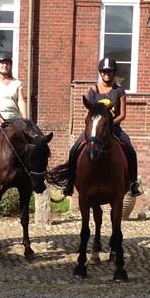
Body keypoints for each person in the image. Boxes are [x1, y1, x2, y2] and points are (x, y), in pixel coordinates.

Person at [60, 57, 141, 197]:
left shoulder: (119, 92)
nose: (107, 74)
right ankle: (70, 183)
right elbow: (90, 113)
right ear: (100, 72)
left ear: (114, 72)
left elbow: (122, 114)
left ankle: (133, 183)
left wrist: (110, 124)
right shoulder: (93, 90)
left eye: (109, 71)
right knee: (74, 149)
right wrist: (97, 125)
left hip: (113, 128)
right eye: (104, 71)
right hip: (95, 129)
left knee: (130, 148)